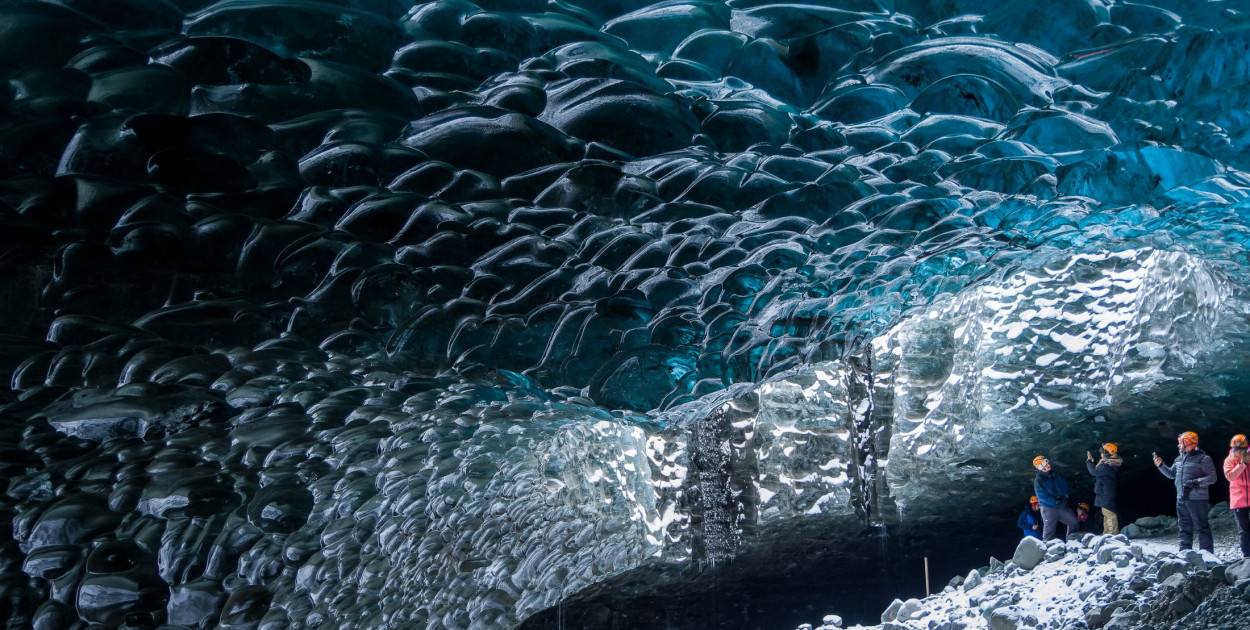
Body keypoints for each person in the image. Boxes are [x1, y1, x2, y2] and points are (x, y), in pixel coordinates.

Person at [1154, 431, 1218, 553]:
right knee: (1184, 527)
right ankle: (1184, 552)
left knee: (1201, 526)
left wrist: (1195, 482)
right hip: (1181, 498)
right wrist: (1161, 465)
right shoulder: (1179, 459)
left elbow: (1212, 478)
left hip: (1197, 499)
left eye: (1180, 443)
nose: (1178, 446)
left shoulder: (1203, 459)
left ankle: (1207, 553)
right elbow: (1171, 474)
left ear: (1188, 443)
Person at [1033, 455, 1080, 541]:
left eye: (1047, 463)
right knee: (1049, 531)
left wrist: (1065, 497)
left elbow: (1064, 485)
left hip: (1061, 505)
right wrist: (1056, 501)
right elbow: (1042, 497)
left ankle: (1072, 541)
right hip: (1048, 508)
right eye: (1045, 464)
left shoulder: (1056, 474)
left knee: (1073, 521)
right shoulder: (1038, 480)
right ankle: (1048, 549)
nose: (1048, 465)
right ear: (1040, 467)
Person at [1086, 442, 1122, 535]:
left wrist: (1089, 462)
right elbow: (1099, 471)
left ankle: (1113, 533)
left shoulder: (1107, 465)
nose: (1101, 454)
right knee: (1106, 513)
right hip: (1105, 492)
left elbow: (1094, 472)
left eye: (1102, 452)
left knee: (1109, 513)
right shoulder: (1109, 464)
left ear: (1106, 453)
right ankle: (1106, 533)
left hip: (1106, 493)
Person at [1224, 434, 1250, 558]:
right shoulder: (1229, 460)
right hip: (1239, 500)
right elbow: (1230, 476)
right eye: (1237, 451)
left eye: (1242, 451)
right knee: (1243, 530)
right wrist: (1242, 464)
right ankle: (1246, 556)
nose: (1239, 453)